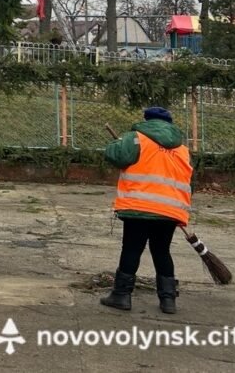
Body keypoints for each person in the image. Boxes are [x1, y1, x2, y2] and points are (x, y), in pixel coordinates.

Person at [100, 106, 193, 314]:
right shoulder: (182, 149)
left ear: (146, 120)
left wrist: (117, 144)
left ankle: (121, 295)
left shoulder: (135, 138)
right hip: (170, 209)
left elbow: (114, 156)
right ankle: (168, 300)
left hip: (139, 207)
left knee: (132, 249)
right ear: (169, 124)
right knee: (162, 251)